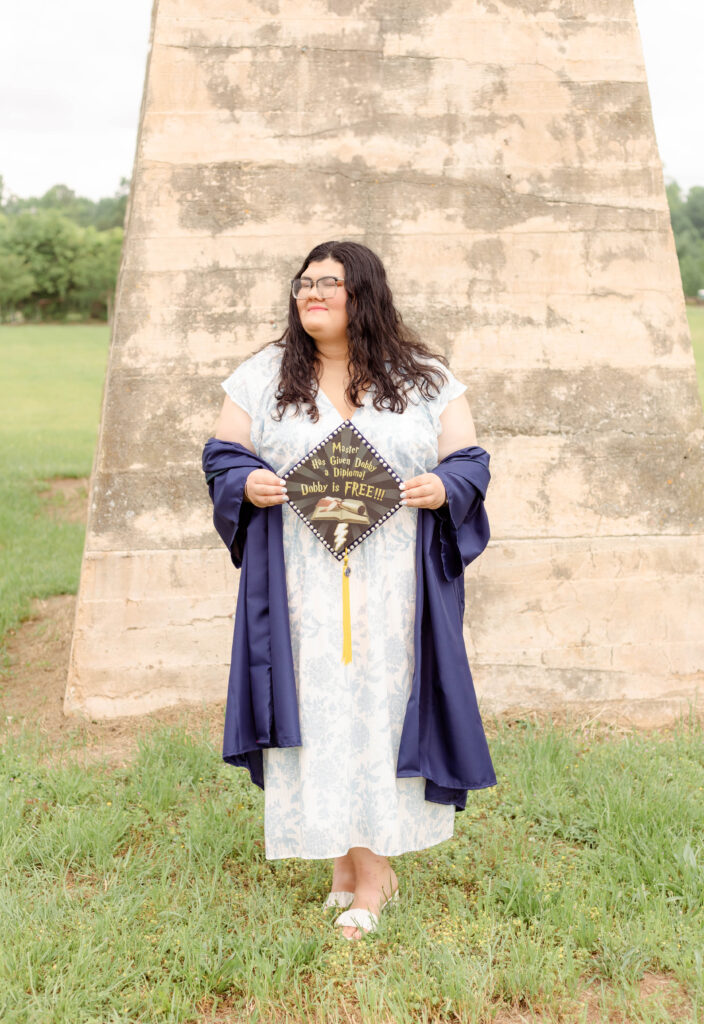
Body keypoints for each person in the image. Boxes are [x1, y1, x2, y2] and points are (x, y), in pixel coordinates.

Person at [206, 240, 496, 940]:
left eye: (329, 284)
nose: (313, 294)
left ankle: (374, 878)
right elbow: (223, 455)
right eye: (305, 283)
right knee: (320, 715)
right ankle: (344, 865)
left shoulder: (424, 378)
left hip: (394, 588)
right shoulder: (263, 376)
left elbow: (470, 461)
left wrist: (443, 486)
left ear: (363, 292)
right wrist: (246, 482)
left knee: (377, 711)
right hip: (300, 589)